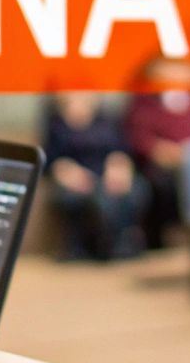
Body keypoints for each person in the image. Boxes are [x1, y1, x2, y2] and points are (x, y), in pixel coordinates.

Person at [123, 57, 190, 250]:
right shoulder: (144, 102)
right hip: (159, 165)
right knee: (161, 184)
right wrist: (162, 151)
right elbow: (139, 136)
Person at [43, 92, 146, 261]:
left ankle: (120, 243)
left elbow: (121, 150)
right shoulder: (55, 125)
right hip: (75, 178)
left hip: (107, 175)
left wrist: (119, 165)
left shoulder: (107, 121)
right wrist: (64, 169)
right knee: (89, 197)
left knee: (134, 190)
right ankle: (94, 247)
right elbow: (50, 158)